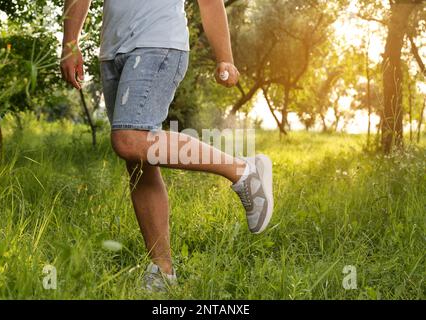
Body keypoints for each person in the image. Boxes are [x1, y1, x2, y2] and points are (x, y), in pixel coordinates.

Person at [60, 0, 274, 291]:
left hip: (157, 41)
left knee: (128, 140)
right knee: (138, 162)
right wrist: (70, 43)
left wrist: (224, 56)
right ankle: (163, 271)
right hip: (112, 50)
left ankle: (243, 170)